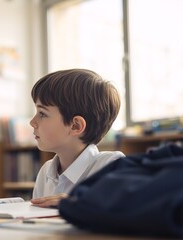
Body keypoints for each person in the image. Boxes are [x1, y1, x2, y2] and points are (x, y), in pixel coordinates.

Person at [29, 69, 124, 207]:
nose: (32, 121)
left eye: (42, 114)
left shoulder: (111, 165)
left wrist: (77, 204)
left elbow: (124, 214)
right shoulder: (46, 172)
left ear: (75, 126)